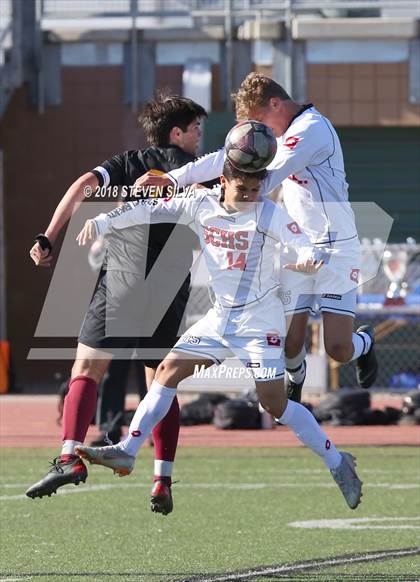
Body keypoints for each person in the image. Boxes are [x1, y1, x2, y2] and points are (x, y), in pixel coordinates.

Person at [74, 159, 363, 511]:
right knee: (166, 372)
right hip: (220, 320)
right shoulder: (200, 203)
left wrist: (307, 259)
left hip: (260, 324)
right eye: (243, 189)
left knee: (273, 404)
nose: (249, 197)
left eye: (256, 190)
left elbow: (302, 242)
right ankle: (127, 451)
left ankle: (338, 462)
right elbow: (150, 209)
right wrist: (102, 221)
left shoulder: (269, 213)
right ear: (223, 181)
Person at [135, 73, 378, 403]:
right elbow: (230, 157)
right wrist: (173, 179)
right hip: (296, 247)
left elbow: (260, 177)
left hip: (335, 248)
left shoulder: (311, 130)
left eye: (256, 122)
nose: (255, 134)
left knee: (338, 348)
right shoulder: (275, 134)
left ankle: (364, 343)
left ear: (275, 105)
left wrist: (214, 196)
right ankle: (297, 376)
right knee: (290, 343)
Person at [26, 94, 209, 515]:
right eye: (197, 129)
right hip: (170, 286)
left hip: (124, 277)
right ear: (177, 133)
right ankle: (161, 480)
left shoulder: (129, 161)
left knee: (87, 369)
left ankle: (70, 455)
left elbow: (82, 187)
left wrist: (48, 236)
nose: (201, 137)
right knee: (159, 384)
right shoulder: (198, 172)